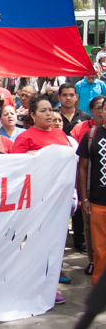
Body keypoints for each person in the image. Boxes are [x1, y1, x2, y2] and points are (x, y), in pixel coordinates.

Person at [77, 98, 106, 285]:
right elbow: (82, 168)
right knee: (100, 249)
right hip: (98, 202)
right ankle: (99, 289)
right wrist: (84, 198)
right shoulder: (91, 135)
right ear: (101, 111)